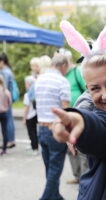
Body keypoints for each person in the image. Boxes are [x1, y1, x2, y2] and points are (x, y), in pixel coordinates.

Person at [51, 51, 106, 200]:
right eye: (96, 88)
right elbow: (100, 132)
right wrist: (81, 121)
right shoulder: (99, 116)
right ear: (88, 89)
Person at [35, 54, 71, 200]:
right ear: (63, 66)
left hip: (41, 128)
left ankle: (55, 196)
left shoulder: (39, 79)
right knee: (55, 169)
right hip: (55, 129)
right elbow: (66, 108)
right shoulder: (62, 81)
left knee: (50, 168)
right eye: (67, 68)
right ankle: (46, 197)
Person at [57, 48, 88, 185]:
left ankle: (85, 178)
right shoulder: (61, 76)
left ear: (65, 63)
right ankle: (77, 176)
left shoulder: (77, 72)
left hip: (80, 115)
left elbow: (88, 90)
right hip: (66, 116)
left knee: (82, 149)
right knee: (70, 148)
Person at [0, 53, 16, 149]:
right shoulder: (8, 71)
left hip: (4, 100)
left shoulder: (5, 72)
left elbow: (3, 87)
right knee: (9, 119)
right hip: (7, 99)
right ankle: (10, 140)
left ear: (2, 62)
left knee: (8, 120)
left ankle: (10, 140)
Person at [23, 76, 38, 155]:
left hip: (29, 115)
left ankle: (34, 147)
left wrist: (24, 118)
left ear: (28, 84)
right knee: (35, 132)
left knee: (31, 132)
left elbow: (26, 107)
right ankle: (35, 145)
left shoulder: (27, 94)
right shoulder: (36, 92)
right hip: (36, 114)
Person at [0, 75, 12, 155]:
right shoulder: (6, 91)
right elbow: (10, 102)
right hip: (4, 112)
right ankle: (4, 149)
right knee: (4, 131)